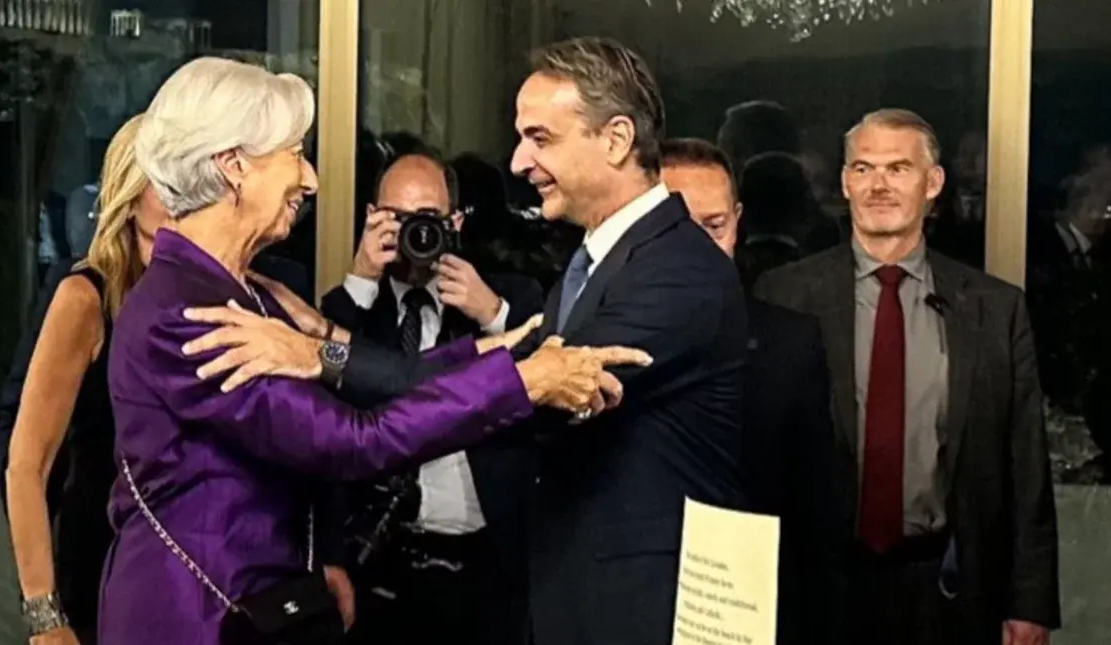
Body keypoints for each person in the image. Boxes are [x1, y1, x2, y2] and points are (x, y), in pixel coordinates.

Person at [96, 57, 650, 645]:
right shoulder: (186, 313)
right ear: (233, 167)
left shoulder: (241, 291)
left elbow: (365, 384)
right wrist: (523, 383)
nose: (310, 179)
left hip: (253, 610)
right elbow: (352, 439)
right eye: (295, 154)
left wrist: (490, 355)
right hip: (192, 619)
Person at [755, 108, 1060, 645]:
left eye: (898, 169)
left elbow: (1025, 466)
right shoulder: (784, 295)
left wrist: (1029, 603)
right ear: (845, 182)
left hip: (947, 590)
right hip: (816, 593)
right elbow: (756, 454)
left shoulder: (994, 310)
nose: (879, 185)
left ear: (933, 183)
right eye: (863, 168)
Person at [500, 38, 746, 645]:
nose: (519, 162)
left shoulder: (679, 271)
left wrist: (335, 361)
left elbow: (529, 398)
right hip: (578, 599)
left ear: (615, 139)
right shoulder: (598, 260)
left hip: (640, 615)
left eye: (540, 138)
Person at [319, 145, 544, 645]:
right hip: (380, 563)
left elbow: (546, 381)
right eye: (398, 218)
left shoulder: (511, 297)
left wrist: (494, 315)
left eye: (428, 219)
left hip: (488, 567)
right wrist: (361, 279)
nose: (415, 234)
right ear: (372, 218)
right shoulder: (352, 310)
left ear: (455, 223)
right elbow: (322, 394)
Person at [661, 137, 847, 645]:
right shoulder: (593, 335)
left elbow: (817, 518)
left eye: (714, 226)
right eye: (678, 229)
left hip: (750, 610)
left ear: (738, 221)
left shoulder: (790, 343)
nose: (699, 249)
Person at [0, 115, 166, 645]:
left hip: (192, 578)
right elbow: (25, 461)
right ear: (129, 194)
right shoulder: (84, 295)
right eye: (164, 181)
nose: (181, 199)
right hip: (98, 566)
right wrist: (43, 614)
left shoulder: (213, 294)